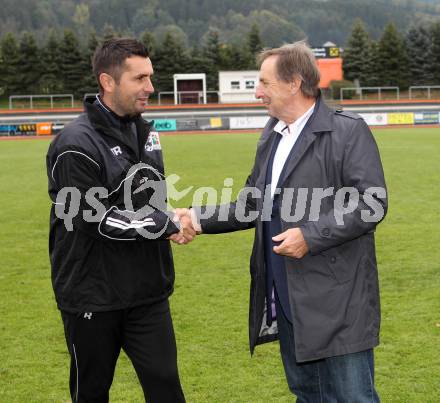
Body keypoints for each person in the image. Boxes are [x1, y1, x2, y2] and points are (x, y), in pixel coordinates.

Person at [177, 42, 387, 402]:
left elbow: (371, 203)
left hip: (338, 302)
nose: (257, 92)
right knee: (308, 395)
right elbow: (253, 202)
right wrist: (196, 217)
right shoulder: (272, 135)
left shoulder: (347, 131)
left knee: (354, 398)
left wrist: (310, 235)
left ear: (294, 83)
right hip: (288, 297)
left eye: (264, 83)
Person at [46, 38, 194, 402]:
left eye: (150, 76)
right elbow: (94, 219)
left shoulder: (146, 131)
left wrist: (167, 214)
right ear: (108, 82)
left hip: (148, 291)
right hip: (92, 295)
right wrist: (166, 223)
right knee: (91, 393)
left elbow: (148, 198)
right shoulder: (74, 144)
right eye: (140, 78)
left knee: (166, 389)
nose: (150, 87)